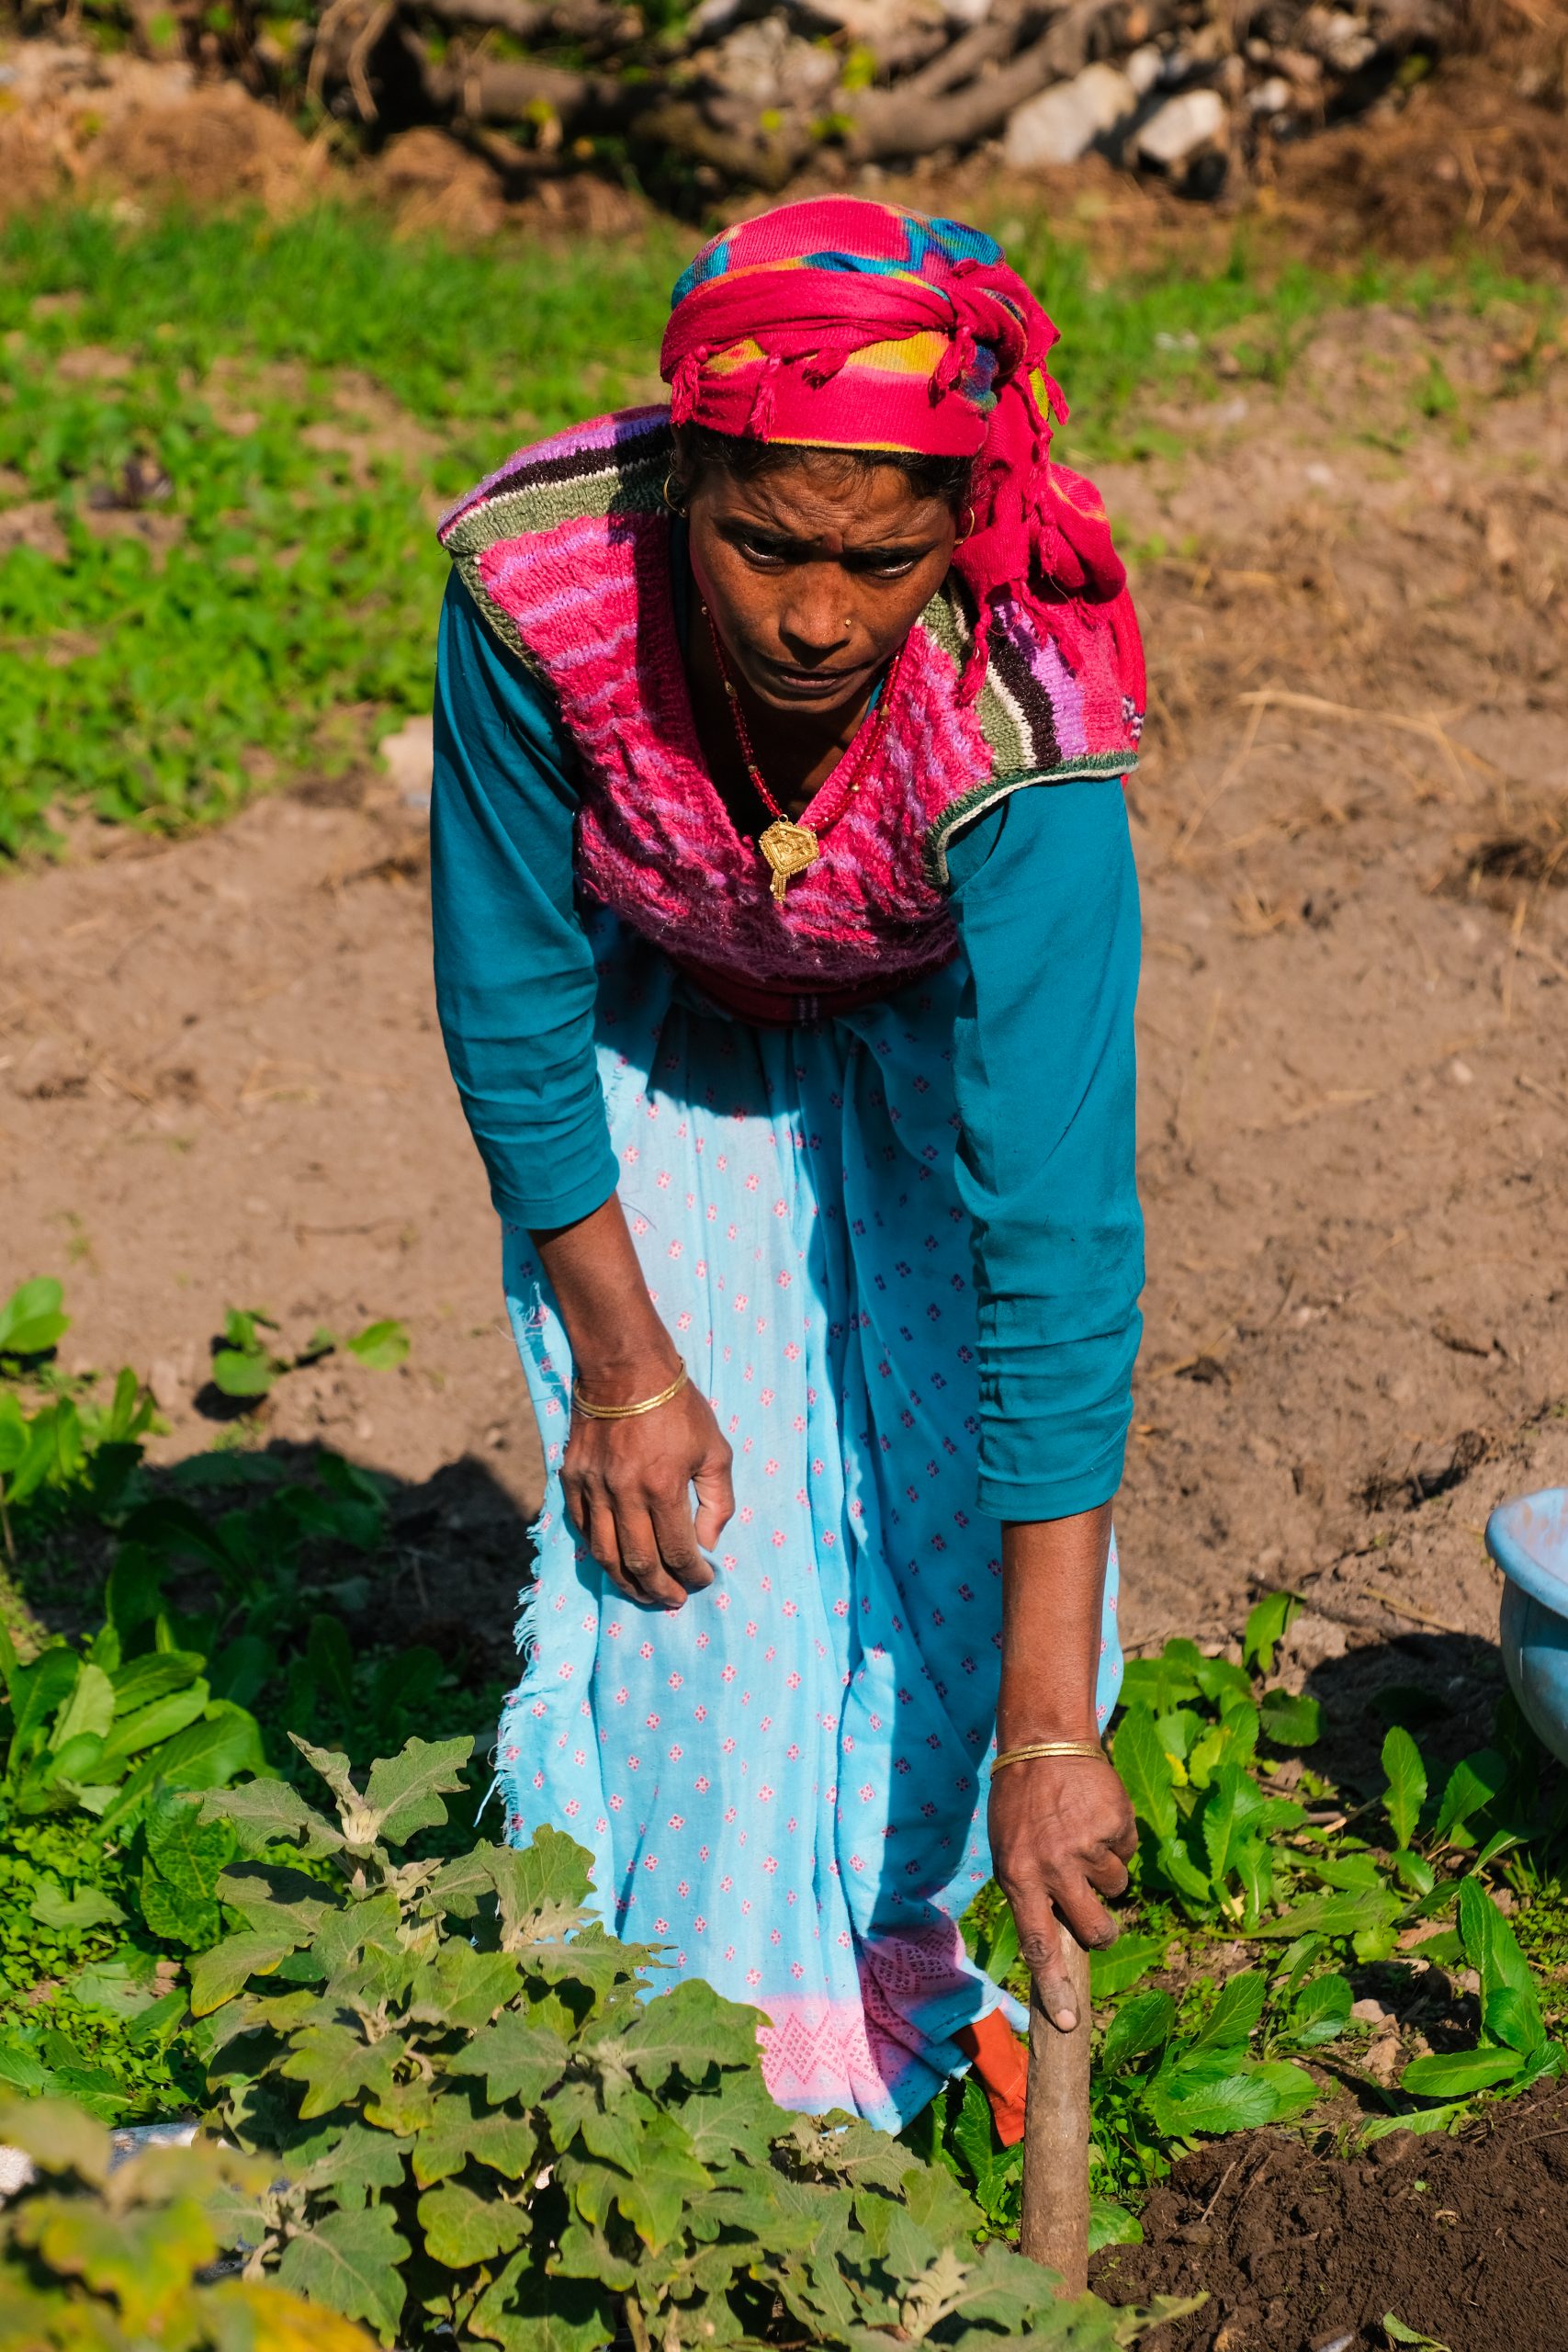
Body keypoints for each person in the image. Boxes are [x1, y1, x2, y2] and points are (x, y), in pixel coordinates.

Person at [430, 198, 1144, 2141]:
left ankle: (897, 1970)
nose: (818, 614)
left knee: (926, 1542)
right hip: (658, 1018)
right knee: (693, 1544)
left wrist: (1049, 1723)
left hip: (919, 1035)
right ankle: (704, 2050)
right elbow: (506, 994)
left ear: (950, 539)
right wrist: (627, 1361)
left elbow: (1054, 1227)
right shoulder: (535, 585)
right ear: (687, 483)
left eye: (878, 559)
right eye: (764, 545)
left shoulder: (1022, 707)